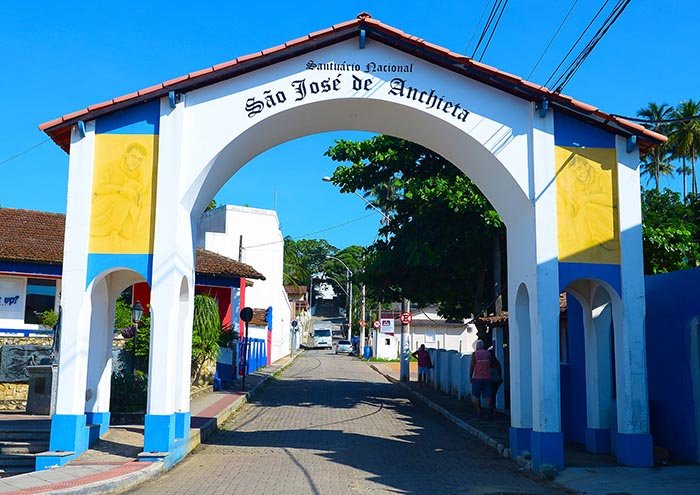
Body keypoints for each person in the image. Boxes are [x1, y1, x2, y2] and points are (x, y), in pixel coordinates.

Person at [469, 340, 492, 418]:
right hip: (487, 378)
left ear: (477, 346)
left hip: (477, 378)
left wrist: (470, 376)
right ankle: (489, 409)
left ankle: (479, 411)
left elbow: (472, 366)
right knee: (488, 395)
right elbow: (491, 364)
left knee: (476, 395)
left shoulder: (475, 354)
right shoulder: (488, 353)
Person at [488, 346, 503, 418]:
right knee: (493, 395)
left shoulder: (489, 363)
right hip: (497, 381)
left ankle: (492, 409)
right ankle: (493, 409)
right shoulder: (497, 362)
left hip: (492, 381)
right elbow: (500, 372)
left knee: (491, 395)